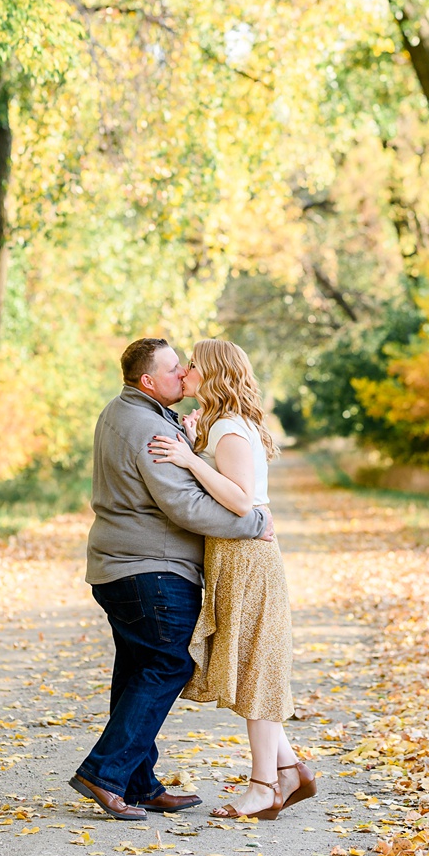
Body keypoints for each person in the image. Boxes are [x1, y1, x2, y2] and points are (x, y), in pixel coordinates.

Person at [70, 337, 274, 821]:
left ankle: (138, 783)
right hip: (150, 569)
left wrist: (190, 442)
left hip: (120, 565)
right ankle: (104, 773)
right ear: (147, 381)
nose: (182, 373)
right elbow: (184, 504)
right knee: (170, 663)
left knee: (137, 670)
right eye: (173, 368)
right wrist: (254, 522)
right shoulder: (146, 426)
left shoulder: (124, 411)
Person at [148, 338, 317, 821]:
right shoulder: (220, 423)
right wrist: (194, 441)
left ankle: (264, 786)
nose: (185, 372)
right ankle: (289, 770)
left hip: (248, 557)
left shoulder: (228, 427)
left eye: (192, 365)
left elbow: (242, 501)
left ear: (213, 373)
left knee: (256, 667)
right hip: (233, 556)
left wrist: (189, 460)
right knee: (251, 663)